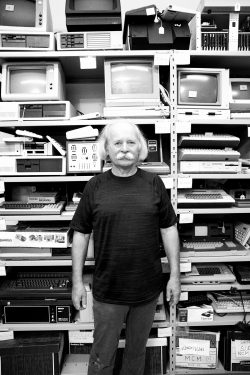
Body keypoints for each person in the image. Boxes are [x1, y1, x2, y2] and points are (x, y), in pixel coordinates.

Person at [70, 119, 180, 375]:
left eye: (131, 142)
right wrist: (76, 282)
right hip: (109, 290)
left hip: (146, 290)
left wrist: (174, 276)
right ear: (106, 150)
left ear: (140, 148)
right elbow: (81, 234)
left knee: (136, 355)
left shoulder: (154, 184)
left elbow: (169, 229)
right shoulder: (95, 186)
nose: (124, 148)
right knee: (101, 358)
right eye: (117, 143)